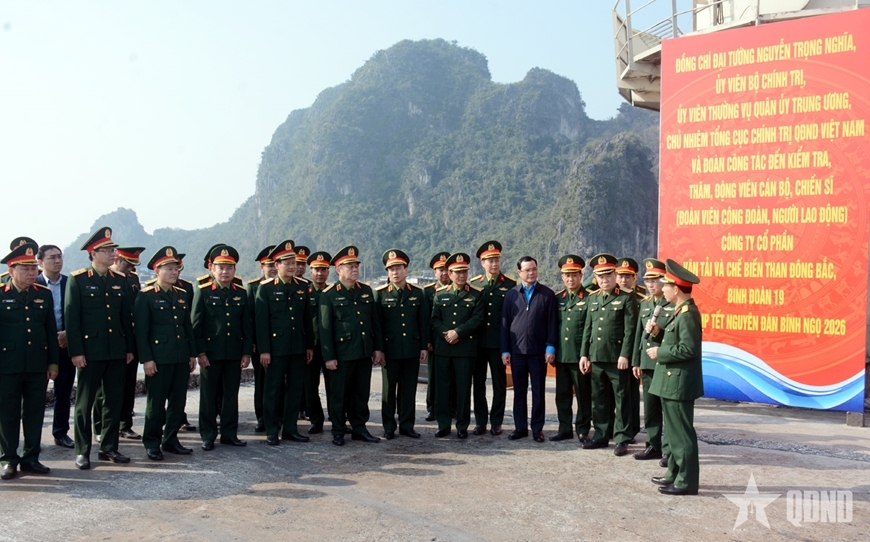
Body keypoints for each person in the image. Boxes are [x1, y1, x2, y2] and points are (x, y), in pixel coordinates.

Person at [65, 227, 135, 470]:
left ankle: (109, 447)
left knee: (113, 401)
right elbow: (72, 319)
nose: (113, 253)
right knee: (85, 403)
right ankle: (83, 451)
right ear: (93, 253)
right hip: (90, 352)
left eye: (113, 249)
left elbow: (126, 317)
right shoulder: (79, 279)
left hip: (116, 350)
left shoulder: (120, 280)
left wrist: (128, 347)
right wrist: (76, 351)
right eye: (107, 250)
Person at [0, 242, 59, 480]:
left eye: (33, 268)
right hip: (7, 365)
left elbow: (50, 331)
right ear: (11, 270)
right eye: (25, 269)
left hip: (37, 364)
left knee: (34, 412)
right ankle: (9, 459)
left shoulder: (42, 294)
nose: (31, 273)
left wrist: (53, 363)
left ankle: (31, 457)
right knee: (7, 413)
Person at [134, 247, 197, 461]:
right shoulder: (146, 296)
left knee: (178, 402)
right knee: (156, 404)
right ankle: (152, 442)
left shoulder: (181, 295)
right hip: (159, 359)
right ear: (156, 271)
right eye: (168, 268)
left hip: (180, 357)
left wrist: (191, 354)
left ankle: (170, 439)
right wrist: (147, 359)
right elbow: (141, 332)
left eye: (176, 268)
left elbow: (187, 327)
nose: (174, 272)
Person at [648, 259, 703, 496]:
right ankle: (673, 473)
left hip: (679, 383)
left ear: (676, 289)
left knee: (682, 433)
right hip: (671, 381)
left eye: (666, 286)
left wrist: (660, 352)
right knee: (672, 432)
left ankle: (686, 481)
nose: (663, 289)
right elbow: (676, 342)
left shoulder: (688, 314)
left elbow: (688, 349)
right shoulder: (678, 312)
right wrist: (659, 335)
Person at [319, 245, 383, 446]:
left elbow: (375, 323)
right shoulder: (329, 294)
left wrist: (377, 348)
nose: (355, 269)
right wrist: (329, 357)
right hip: (342, 353)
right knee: (339, 394)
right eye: (350, 266)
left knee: (360, 393)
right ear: (338, 270)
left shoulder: (365, 291)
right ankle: (338, 430)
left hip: (363, 352)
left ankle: (359, 428)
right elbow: (325, 329)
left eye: (356, 266)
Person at [193, 245, 253, 450]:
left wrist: (246, 353)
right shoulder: (202, 292)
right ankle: (208, 435)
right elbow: (196, 326)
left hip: (234, 353)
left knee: (231, 395)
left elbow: (247, 326)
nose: (225, 271)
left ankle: (229, 433)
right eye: (220, 267)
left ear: (235, 269)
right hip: (211, 354)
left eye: (229, 267)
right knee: (208, 396)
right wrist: (200, 352)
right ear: (212, 268)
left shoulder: (241, 293)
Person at [255, 240, 314, 445]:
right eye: (286, 263)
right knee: (273, 389)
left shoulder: (302, 287)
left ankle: (290, 428)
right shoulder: (266, 289)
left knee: (295, 389)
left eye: (293, 262)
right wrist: (264, 350)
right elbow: (261, 323)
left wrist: (309, 346)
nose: (291, 266)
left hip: (297, 346)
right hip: (275, 348)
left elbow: (307, 320)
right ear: (276, 265)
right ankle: (272, 429)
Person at [579, 253, 638, 456]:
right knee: (599, 399)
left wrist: (625, 355)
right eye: (600, 276)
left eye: (608, 275)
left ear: (615, 275)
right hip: (596, 357)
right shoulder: (592, 298)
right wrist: (584, 355)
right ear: (595, 278)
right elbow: (588, 328)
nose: (604, 280)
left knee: (622, 398)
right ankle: (601, 435)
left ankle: (621, 438)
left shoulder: (627, 297)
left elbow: (631, 330)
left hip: (617, 358)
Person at [500, 256, 557, 443]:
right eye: (527, 270)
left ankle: (537, 428)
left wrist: (550, 346)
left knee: (538, 391)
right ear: (519, 273)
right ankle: (520, 427)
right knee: (519, 391)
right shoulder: (512, 295)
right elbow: (505, 324)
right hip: (516, 351)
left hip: (538, 351)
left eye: (534, 269)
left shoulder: (547, 294)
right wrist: (505, 350)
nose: (531, 273)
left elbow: (552, 323)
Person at [93, 246, 145, 442]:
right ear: (116, 260)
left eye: (132, 266)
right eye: (126, 264)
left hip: (128, 339)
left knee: (128, 384)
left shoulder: (131, 280)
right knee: (102, 391)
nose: (129, 269)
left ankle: (125, 425)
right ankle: (99, 427)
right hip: (106, 341)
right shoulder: (98, 279)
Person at [374, 249, 428, 439]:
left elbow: (422, 323)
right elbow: (377, 325)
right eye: (391, 269)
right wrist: (379, 349)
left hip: (412, 350)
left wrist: (423, 346)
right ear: (387, 273)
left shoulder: (417, 294)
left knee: (408, 390)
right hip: (390, 351)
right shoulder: (380, 294)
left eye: (399, 268)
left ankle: (407, 425)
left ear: (406, 270)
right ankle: (389, 426)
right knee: (389, 392)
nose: (395, 272)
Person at [430, 253, 484, 439]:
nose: (461, 275)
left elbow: (477, 319)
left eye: (464, 272)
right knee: (442, 388)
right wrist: (446, 333)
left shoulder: (476, 294)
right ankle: (443, 425)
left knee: (463, 389)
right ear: (450, 274)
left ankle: (462, 425)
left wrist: (458, 333)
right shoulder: (440, 294)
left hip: (465, 349)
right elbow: (434, 320)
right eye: (457, 272)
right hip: (444, 349)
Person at [468, 241, 515, 436]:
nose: (494, 264)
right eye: (489, 261)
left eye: (496, 260)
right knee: (478, 384)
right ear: (482, 263)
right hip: (477, 342)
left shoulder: (510, 285)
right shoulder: (475, 284)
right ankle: (480, 421)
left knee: (499, 383)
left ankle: (496, 421)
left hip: (498, 342)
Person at [632, 258, 674, 462]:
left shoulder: (673, 304)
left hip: (664, 363)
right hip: (647, 363)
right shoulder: (645, 303)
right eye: (647, 280)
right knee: (650, 408)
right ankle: (653, 444)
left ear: (664, 282)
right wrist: (636, 361)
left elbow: (675, 336)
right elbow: (639, 335)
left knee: (666, 408)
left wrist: (659, 333)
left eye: (655, 280)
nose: (650, 284)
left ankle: (668, 449)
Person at [36, 244, 75, 449]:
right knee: (35, 394)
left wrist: (69, 334)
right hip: (41, 349)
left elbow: (78, 315)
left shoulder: (70, 284)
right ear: (40, 262)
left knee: (64, 391)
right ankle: (31, 437)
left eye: (60, 257)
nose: (57, 261)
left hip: (65, 346)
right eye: (52, 258)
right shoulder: (34, 284)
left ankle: (61, 433)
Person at [550, 255, 592, 444]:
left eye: (574, 274)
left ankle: (583, 430)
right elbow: (553, 327)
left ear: (581, 275)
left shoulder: (590, 298)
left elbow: (589, 331)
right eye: (567, 275)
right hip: (562, 355)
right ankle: (564, 428)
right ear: (562, 277)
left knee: (583, 395)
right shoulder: (558, 298)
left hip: (579, 356)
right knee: (562, 395)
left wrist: (586, 354)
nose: (570, 279)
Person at [616, 257, 645, 442]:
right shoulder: (613, 295)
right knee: (616, 394)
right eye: (620, 276)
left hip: (636, 351)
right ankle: (616, 427)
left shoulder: (642, 298)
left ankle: (632, 428)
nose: (624, 280)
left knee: (632, 392)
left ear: (635, 277)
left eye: (628, 276)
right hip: (615, 352)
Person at [248, 245, 276, 432]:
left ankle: (277, 416)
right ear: (261, 267)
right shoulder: (253, 287)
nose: (272, 268)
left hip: (281, 343)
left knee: (279, 382)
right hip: (260, 345)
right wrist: (254, 343)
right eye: (268, 265)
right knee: (262, 382)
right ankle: (261, 417)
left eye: (275, 264)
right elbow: (250, 318)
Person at [305, 250, 332, 434]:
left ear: (328, 272)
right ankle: (316, 420)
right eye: (316, 269)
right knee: (310, 386)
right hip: (310, 348)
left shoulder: (333, 292)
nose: (320, 273)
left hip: (330, 348)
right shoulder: (304, 293)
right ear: (310, 271)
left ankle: (338, 419)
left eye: (323, 269)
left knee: (335, 387)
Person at [423, 251, 451, 422]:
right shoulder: (427, 292)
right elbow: (426, 318)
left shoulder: (460, 289)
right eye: (440, 270)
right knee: (433, 375)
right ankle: (432, 407)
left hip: (455, 339)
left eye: (447, 269)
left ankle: (452, 406)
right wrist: (427, 340)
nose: (444, 273)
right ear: (434, 273)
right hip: (435, 340)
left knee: (453, 376)